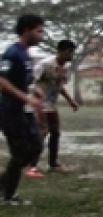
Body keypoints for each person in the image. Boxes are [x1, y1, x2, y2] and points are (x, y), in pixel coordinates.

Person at [0, 15, 46, 205]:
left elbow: (23, 81)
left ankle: (3, 186)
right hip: (9, 110)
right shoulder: (12, 53)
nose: (42, 35)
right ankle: (8, 196)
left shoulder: (25, 54)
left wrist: (34, 91)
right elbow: (2, 81)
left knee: (36, 144)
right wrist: (26, 97)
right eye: (39, 31)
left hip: (23, 111)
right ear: (27, 30)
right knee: (20, 154)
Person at [27, 39, 80, 176]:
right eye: (70, 52)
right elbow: (31, 81)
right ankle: (31, 165)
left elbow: (59, 86)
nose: (71, 55)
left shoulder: (66, 68)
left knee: (55, 132)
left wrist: (70, 100)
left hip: (51, 104)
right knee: (42, 133)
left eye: (72, 52)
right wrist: (37, 95)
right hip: (39, 104)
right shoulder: (45, 64)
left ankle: (53, 164)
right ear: (61, 51)